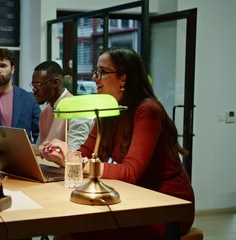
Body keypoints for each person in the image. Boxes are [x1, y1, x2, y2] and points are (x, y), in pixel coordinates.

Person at [42, 47, 195, 240]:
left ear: (123, 78)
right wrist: (61, 156)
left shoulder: (148, 110)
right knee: (69, 226)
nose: (95, 78)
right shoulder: (108, 109)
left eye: (103, 72)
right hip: (137, 196)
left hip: (167, 205)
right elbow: (84, 153)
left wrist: (75, 162)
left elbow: (130, 172)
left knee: (78, 228)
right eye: (95, 72)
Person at [31, 60, 93, 152]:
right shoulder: (45, 111)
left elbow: (74, 155)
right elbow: (39, 147)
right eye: (33, 85)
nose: (34, 89)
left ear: (55, 83)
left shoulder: (78, 110)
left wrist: (43, 150)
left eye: (38, 85)